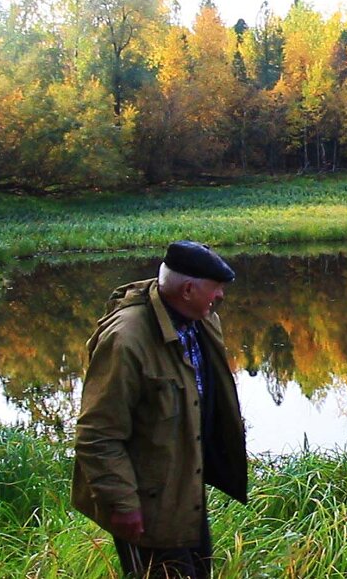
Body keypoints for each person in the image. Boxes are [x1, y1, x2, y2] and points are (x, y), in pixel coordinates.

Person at [72, 240, 248, 578]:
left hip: (184, 493)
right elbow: (97, 435)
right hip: (146, 505)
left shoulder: (202, 320)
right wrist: (123, 505)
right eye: (216, 289)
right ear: (187, 290)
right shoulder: (126, 340)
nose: (221, 297)